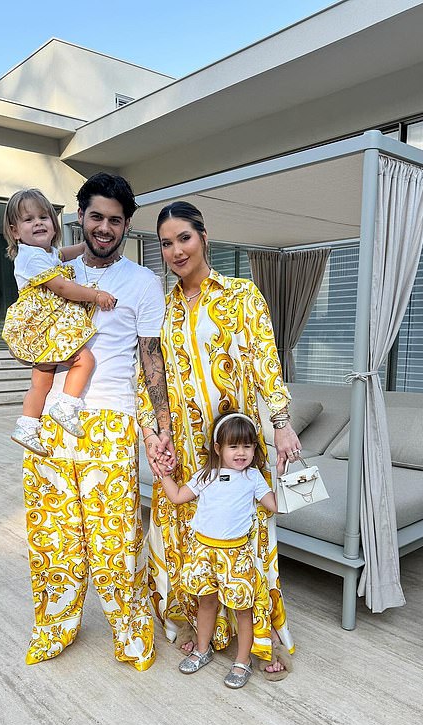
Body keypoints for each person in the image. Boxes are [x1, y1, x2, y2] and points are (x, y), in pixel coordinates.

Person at [138, 200, 301, 679]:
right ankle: (198, 628)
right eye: (166, 244)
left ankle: (263, 642)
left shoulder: (240, 295)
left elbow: (266, 359)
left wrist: (282, 420)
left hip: (238, 447)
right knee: (186, 541)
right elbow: (149, 376)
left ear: (204, 237)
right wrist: (152, 432)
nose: (175, 251)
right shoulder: (161, 307)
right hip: (187, 451)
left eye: (183, 239)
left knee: (249, 544)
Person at [22, 174, 175, 671]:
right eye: (96, 217)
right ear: (80, 219)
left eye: (115, 220)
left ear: (127, 226)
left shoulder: (143, 283)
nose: (104, 228)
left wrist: (161, 426)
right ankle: (54, 630)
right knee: (53, 535)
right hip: (50, 420)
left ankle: (131, 637)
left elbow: (152, 361)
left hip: (110, 420)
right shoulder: (49, 269)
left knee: (114, 540)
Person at [159, 412, 284, 689]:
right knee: (206, 601)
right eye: (233, 446)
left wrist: (285, 475)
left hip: (236, 555)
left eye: (247, 446)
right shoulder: (207, 475)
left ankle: (242, 660)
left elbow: (275, 506)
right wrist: (164, 474)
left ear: (254, 448)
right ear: (218, 449)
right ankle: (202, 649)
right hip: (203, 551)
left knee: (243, 609)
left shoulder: (253, 478)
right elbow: (179, 497)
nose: (241, 453)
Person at [2, 188, 117, 456]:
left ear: (54, 225)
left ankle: (27, 426)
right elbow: (63, 288)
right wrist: (96, 295)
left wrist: (90, 244)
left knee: (40, 382)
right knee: (84, 360)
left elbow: (63, 254)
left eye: (44, 217)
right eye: (28, 220)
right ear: (15, 231)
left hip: (41, 329)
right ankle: (66, 405)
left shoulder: (46, 253)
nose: (38, 223)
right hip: (44, 327)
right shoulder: (30, 256)